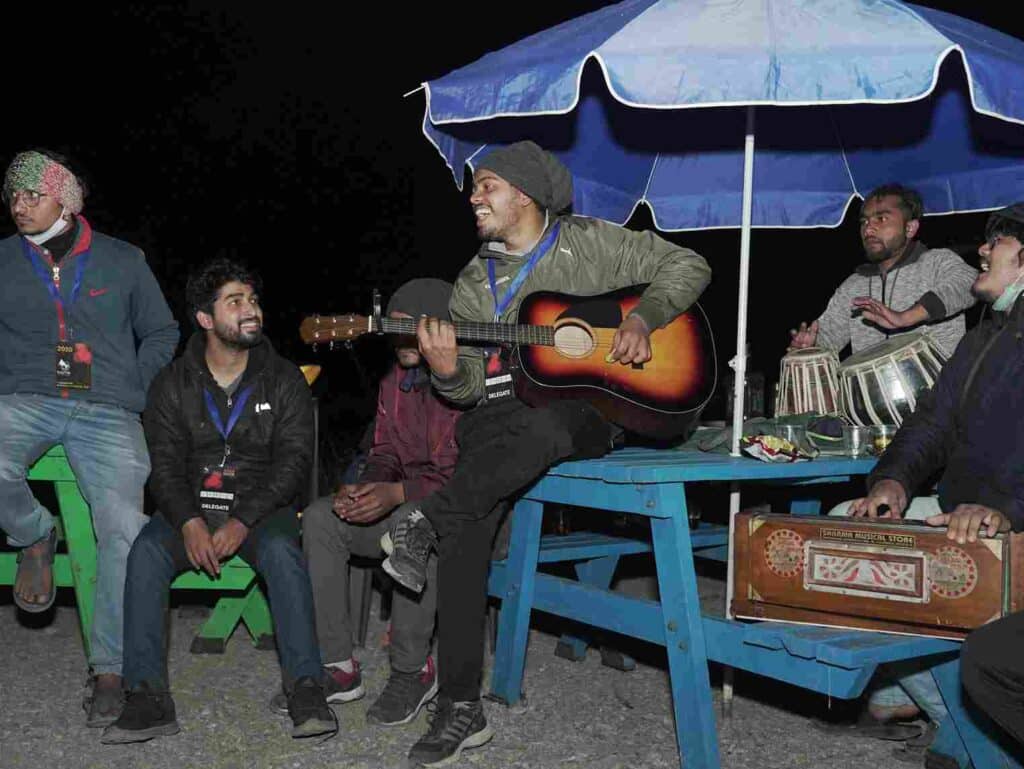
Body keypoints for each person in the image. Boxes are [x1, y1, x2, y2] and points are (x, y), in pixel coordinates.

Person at [380, 140, 712, 767]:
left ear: (524, 195)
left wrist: (644, 316)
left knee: (552, 422)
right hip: (495, 421)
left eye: (486, 186)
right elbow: (468, 389)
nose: (473, 197)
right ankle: (461, 706)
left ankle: (429, 516)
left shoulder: (587, 242)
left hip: (589, 410)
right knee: (471, 526)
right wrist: (450, 372)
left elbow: (689, 264)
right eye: (475, 188)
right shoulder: (473, 282)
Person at [101, 257, 335, 743]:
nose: (250, 310)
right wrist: (187, 520)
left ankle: (307, 689)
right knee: (144, 554)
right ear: (205, 319)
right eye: (235, 301)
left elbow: (293, 464)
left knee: (282, 554)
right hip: (189, 505)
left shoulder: (284, 378)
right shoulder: (171, 383)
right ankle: (147, 698)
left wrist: (244, 520)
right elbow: (162, 465)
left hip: (261, 508)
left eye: (252, 300)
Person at [842, 202, 1024, 768]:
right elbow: (933, 422)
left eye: (997, 243)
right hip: (961, 511)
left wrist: (1003, 509)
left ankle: (966, 732)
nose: (983, 250)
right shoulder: (987, 334)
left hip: (1006, 522)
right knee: (848, 532)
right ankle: (957, 724)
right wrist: (892, 482)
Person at [0, 149, 179, 726]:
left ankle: (111, 667)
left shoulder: (123, 260)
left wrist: (135, 385)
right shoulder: (2, 260)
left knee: (124, 526)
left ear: (66, 200)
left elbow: (162, 329)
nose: (19, 205)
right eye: (13, 196)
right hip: (24, 399)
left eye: (32, 194)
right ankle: (33, 534)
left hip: (106, 409)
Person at [279, 278, 459, 726]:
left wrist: (396, 494)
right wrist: (366, 488)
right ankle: (338, 666)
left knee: (413, 521)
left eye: (409, 329)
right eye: (392, 329)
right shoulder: (395, 379)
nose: (398, 340)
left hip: (461, 522)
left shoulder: (468, 380)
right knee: (322, 516)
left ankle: (413, 670)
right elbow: (385, 453)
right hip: (403, 504)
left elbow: (468, 479)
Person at [788, 183, 977, 357]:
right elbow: (829, 336)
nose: (868, 229)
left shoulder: (936, 262)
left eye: (881, 218)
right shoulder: (854, 285)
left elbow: (969, 283)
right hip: (872, 393)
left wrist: (906, 317)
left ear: (910, 228)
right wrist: (812, 346)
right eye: (864, 222)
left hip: (942, 391)